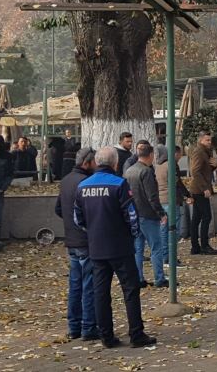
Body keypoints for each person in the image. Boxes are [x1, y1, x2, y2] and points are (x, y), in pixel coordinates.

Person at [73, 147, 156, 349]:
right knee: (130, 289)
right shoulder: (119, 184)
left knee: (101, 292)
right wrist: (132, 234)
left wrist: (92, 232)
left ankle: (106, 336)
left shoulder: (83, 186)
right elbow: (132, 216)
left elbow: (78, 218)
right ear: (115, 163)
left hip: (96, 247)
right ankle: (136, 334)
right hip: (120, 247)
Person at [55, 147, 98, 341]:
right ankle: (88, 327)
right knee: (89, 284)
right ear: (87, 163)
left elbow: (58, 209)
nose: (97, 166)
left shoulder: (65, 181)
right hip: (85, 240)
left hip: (71, 240)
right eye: (95, 162)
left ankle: (74, 326)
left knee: (75, 285)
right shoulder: (86, 183)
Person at [124, 144, 168, 288]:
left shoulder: (129, 171)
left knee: (138, 249)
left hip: (134, 214)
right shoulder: (146, 172)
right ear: (150, 155)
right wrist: (161, 213)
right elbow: (152, 196)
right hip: (148, 214)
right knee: (156, 247)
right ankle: (159, 278)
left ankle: (138, 278)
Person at [156, 145, 191, 267]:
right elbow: (178, 183)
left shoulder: (158, 165)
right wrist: (187, 195)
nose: (180, 156)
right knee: (173, 230)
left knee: (163, 230)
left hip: (161, 200)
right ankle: (171, 257)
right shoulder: (171, 165)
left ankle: (164, 256)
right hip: (171, 200)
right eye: (179, 154)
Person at [188, 131, 217, 255]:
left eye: (210, 140)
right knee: (206, 217)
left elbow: (205, 170)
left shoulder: (206, 152)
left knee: (196, 218)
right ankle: (204, 246)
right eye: (207, 140)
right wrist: (204, 188)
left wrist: (214, 166)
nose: (209, 142)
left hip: (200, 188)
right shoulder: (199, 152)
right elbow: (195, 171)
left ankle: (195, 247)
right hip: (199, 190)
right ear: (201, 140)